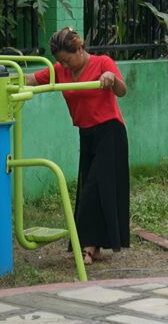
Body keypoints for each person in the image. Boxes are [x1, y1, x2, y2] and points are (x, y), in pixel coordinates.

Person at [26, 27, 130, 265]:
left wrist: (111, 79)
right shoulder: (61, 70)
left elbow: (122, 91)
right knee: (89, 188)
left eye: (68, 59)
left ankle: (87, 247)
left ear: (80, 49)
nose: (66, 65)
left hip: (110, 132)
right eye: (61, 61)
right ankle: (95, 246)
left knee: (95, 189)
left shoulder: (102, 62)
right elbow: (31, 79)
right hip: (87, 134)